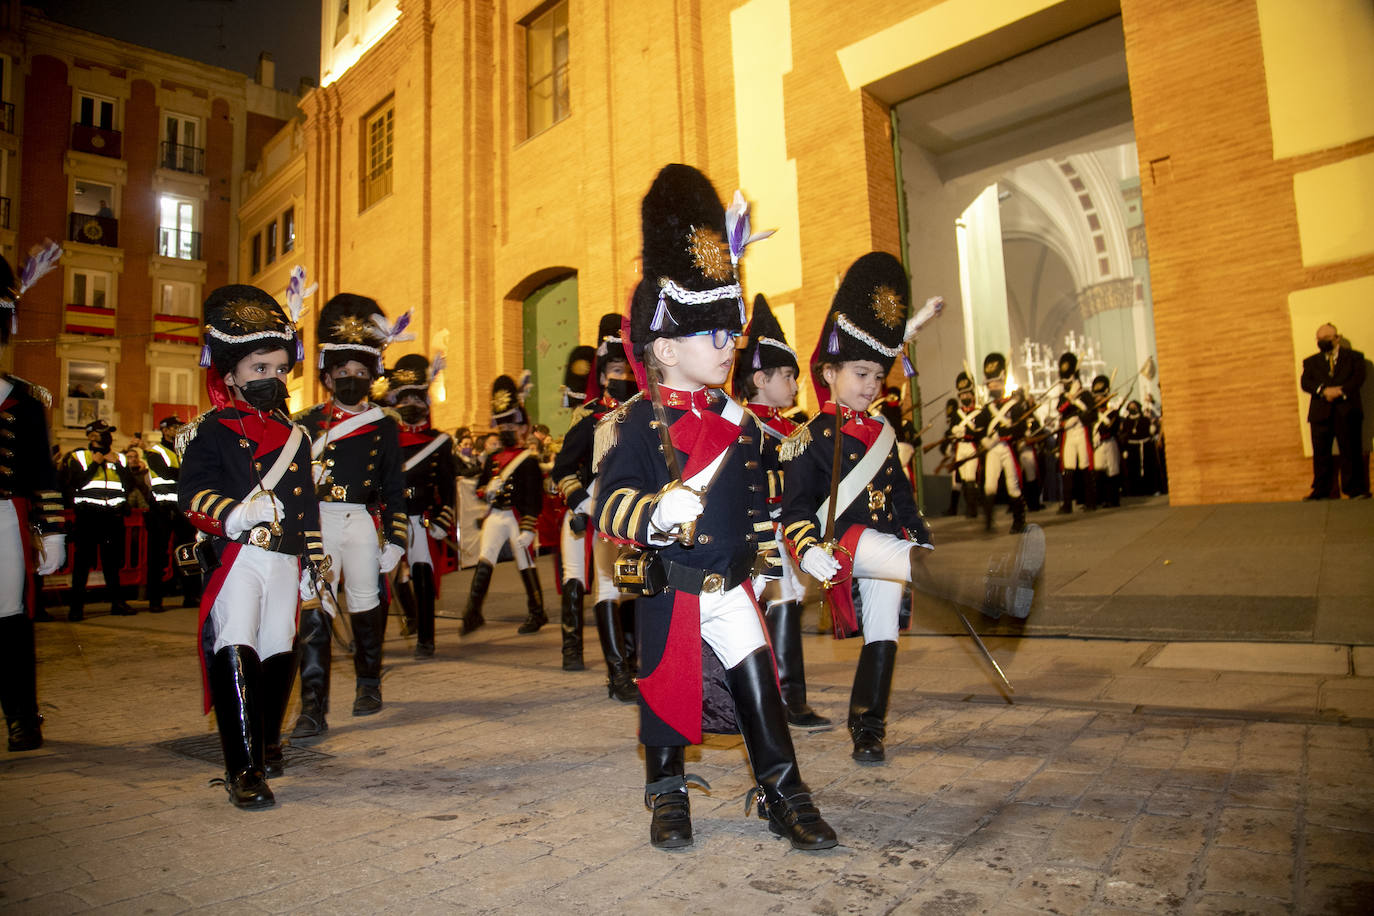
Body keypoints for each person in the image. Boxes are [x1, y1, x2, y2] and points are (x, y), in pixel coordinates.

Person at [597, 163, 836, 851]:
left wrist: (787, 547)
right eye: (714, 335)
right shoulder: (638, 424)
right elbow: (610, 507)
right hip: (670, 589)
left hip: (731, 586)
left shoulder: (741, 421)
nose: (729, 345)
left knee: (761, 686)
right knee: (666, 696)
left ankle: (784, 793)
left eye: (730, 333)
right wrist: (652, 514)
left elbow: (768, 490)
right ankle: (667, 794)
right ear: (665, 348)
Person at [178, 283, 324, 808]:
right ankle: (243, 770)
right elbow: (192, 495)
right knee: (236, 640)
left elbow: (305, 503)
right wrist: (236, 513)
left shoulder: (297, 437)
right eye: (260, 369)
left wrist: (310, 558)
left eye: (280, 370)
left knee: (279, 646)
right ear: (232, 372)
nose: (272, 379)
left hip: (285, 558)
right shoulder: (208, 431)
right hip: (238, 556)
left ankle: (265, 742)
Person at [291, 294, 408, 740]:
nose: (352, 380)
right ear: (326, 375)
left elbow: (394, 486)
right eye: (343, 373)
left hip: (360, 520)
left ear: (373, 377)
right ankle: (312, 708)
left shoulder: (384, 424)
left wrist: (396, 538)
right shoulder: (304, 422)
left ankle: (368, 684)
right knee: (316, 609)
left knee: (364, 602)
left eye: (361, 373)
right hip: (318, 521)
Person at [734, 293, 829, 729]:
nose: (795, 385)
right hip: (755, 532)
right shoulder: (741, 424)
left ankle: (787, 698)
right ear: (759, 377)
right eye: (787, 376)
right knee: (760, 606)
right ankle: (771, 698)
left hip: (786, 529)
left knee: (789, 600)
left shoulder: (791, 427)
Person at [550, 314, 639, 687]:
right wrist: (583, 503)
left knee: (635, 587)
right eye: (616, 369)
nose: (623, 376)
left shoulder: (647, 415)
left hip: (638, 515)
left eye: (629, 369)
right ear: (603, 375)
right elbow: (562, 468)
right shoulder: (587, 417)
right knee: (607, 589)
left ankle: (635, 664)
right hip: (601, 515)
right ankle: (617, 674)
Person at [0, 247, 66, 751]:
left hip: (4, 518)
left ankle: (22, 716)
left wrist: (53, 532)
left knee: (9, 624)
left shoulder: (21, 401)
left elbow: (42, 474)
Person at [460, 375, 547, 636]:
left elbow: (534, 497)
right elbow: (480, 487)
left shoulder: (527, 460)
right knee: (485, 559)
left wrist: (529, 526)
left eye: (512, 423)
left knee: (524, 561)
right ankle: (473, 612)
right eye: (503, 423)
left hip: (517, 517)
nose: (507, 428)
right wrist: (487, 490)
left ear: (521, 427)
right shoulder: (493, 458)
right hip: (496, 515)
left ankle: (537, 611)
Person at [384, 353, 456, 658]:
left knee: (423, 576)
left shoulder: (439, 441)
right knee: (382, 577)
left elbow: (448, 487)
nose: (411, 404)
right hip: (391, 518)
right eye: (405, 398)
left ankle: (426, 638)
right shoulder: (386, 439)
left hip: (421, 520)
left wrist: (443, 519)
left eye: (417, 398)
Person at [61, 418, 135, 619]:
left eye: (108, 433)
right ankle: (76, 608)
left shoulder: (118, 458)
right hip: (88, 517)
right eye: (102, 433)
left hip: (113, 516)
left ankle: (117, 603)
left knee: (112, 563)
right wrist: (95, 465)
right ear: (91, 436)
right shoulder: (79, 457)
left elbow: (129, 484)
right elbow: (73, 483)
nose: (107, 437)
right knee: (82, 563)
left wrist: (116, 465)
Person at [1301, 323, 1369, 500]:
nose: (1322, 342)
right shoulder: (1311, 362)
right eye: (1319, 339)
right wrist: (1323, 391)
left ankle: (1355, 489)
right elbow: (1305, 383)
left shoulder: (1354, 358)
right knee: (1321, 454)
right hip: (1320, 414)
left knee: (1351, 451)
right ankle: (1321, 490)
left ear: (1337, 338)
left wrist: (1340, 391)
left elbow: (1358, 378)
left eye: (1327, 339)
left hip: (1347, 412)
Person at [142, 415, 200, 612]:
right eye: (174, 427)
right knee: (157, 555)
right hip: (162, 509)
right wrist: (188, 473)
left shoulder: (186, 451)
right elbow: (166, 473)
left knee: (187, 552)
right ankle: (155, 599)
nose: (177, 430)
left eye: (180, 426)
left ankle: (190, 595)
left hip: (183, 509)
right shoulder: (154, 451)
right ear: (164, 430)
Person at [973, 352, 1030, 534]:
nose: (993, 386)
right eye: (990, 383)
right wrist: (984, 439)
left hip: (1008, 449)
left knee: (1013, 484)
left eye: (996, 382)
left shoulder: (1014, 406)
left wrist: (1003, 434)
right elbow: (979, 428)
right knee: (989, 485)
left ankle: (1019, 522)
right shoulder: (987, 409)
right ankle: (989, 522)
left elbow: (1020, 429)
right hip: (992, 450)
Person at [1055, 352, 1097, 513]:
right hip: (1069, 435)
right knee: (1068, 468)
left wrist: (1079, 415)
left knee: (1086, 467)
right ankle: (1067, 504)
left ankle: (1091, 501)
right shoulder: (1063, 396)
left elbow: (1092, 414)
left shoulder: (1085, 395)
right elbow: (1060, 409)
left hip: (1082, 433)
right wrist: (1070, 398)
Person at [949, 372, 982, 518]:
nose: (964, 397)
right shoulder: (957, 413)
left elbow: (980, 432)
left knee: (970, 476)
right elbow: (951, 428)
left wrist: (967, 431)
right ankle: (969, 507)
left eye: (967, 394)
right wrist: (955, 431)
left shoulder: (979, 412)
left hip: (971, 446)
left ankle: (972, 509)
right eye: (962, 395)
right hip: (960, 447)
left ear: (972, 394)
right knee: (962, 475)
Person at [1089, 374, 1123, 508]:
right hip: (1098, 445)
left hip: (1109, 443)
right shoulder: (1094, 415)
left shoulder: (1112, 413)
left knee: (1112, 471)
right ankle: (1100, 498)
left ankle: (1113, 499)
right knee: (1098, 472)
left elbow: (1113, 429)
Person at [1119, 399, 1160, 495]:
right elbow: (1124, 436)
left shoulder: (1145, 420)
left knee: (1148, 469)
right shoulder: (1126, 422)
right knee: (1133, 470)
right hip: (1131, 448)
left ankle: (1150, 489)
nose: (1132, 408)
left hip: (1144, 447)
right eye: (1130, 407)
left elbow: (1150, 433)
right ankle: (1135, 491)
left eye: (1134, 406)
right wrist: (1124, 449)